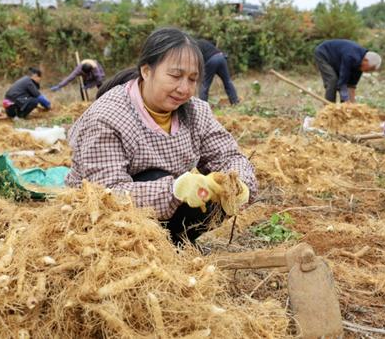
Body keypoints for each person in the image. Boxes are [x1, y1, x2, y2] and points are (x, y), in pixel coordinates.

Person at [66, 27, 256, 245]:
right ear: (146, 71)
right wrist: (175, 190)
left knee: (217, 191)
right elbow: (106, 195)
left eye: (192, 79)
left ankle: (175, 245)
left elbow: (230, 156)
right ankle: (147, 248)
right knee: (155, 176)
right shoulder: (107, 117)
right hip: (105, 226)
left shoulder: (196, 111)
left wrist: (238, 183)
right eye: (175, 76)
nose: (184, 89)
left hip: (162, 213)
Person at [314, 39, 382, 103]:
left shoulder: (360, 65)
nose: (367, 71)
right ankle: (329, 107)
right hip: (324, 53)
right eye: (369, 69)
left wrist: (352, 106)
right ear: (365, 60)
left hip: (337, 60)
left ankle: (344, 109)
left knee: (345, 90)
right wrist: (345, 99)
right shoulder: (350, 56)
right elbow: (343, 81)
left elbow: (351, 85)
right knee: (332, 80)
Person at [197, 39, 239, 104]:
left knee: (204, 85)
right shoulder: (202, 41)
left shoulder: (194, 46)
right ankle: (235, 102)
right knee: (227, 81)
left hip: (211, 60)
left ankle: (202, 105)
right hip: (221, 57)